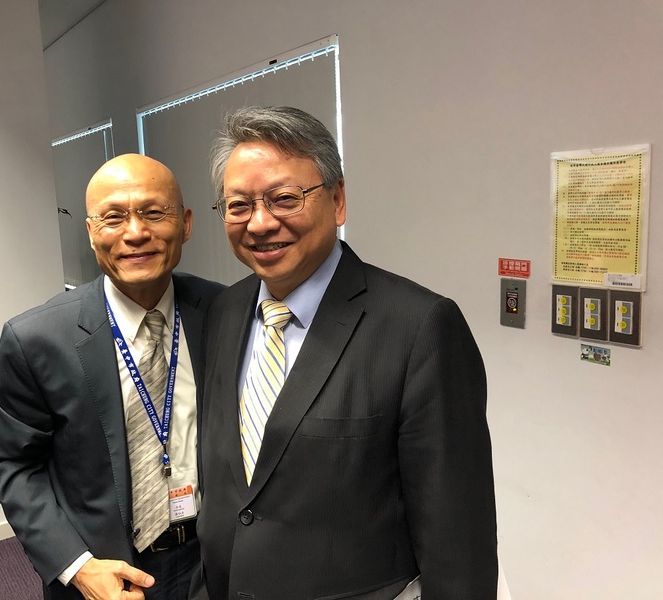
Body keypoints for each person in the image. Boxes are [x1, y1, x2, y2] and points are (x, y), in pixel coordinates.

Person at [195, 107, 498, 599]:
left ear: (337, 201)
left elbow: (458, 538)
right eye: (238, 205)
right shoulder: (225, 311)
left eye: (284, 199)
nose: (260, 223)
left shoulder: (419, 327)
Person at [0, 154, 224, 600]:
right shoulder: (36, 339)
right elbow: (12, 463)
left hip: (212, 564)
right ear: (92, 231)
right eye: (113, 217)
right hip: (105, 575)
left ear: (187, 223)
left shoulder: (224, 312)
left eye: (154, 212)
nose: (135, 233)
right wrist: (77, 567)